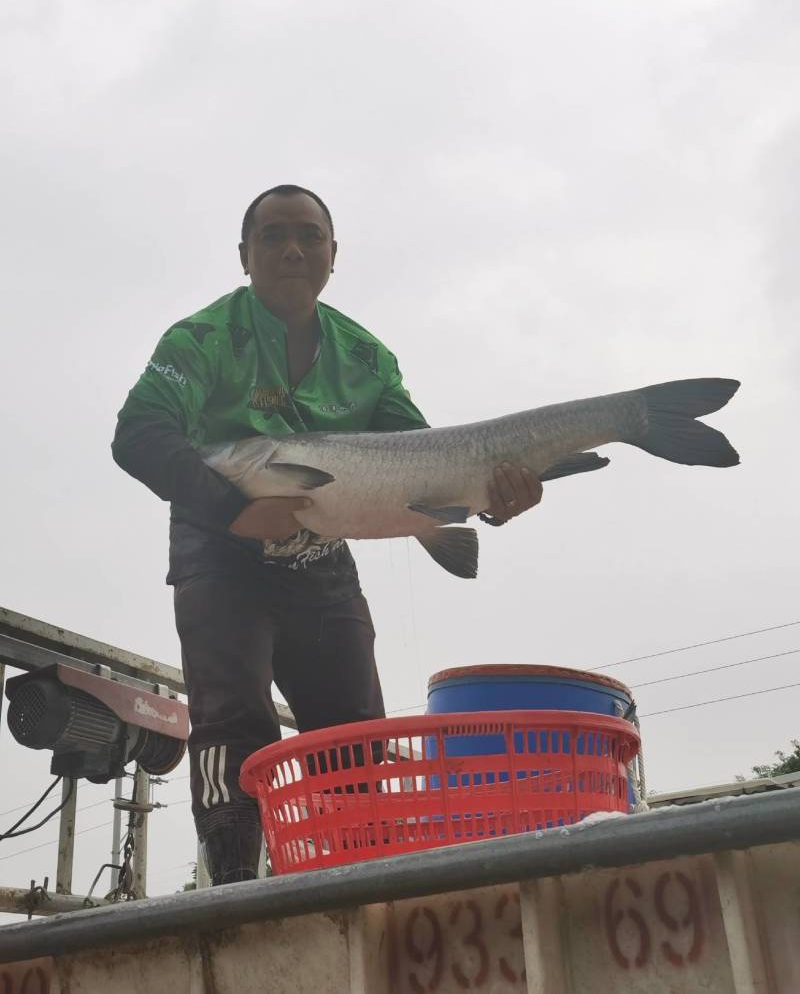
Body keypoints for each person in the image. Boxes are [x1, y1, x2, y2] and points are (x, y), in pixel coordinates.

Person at [112, 185, 543, 883]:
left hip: (322, 561)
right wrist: (233, 511)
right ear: (244, 255)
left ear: (333, 255)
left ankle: (356, 897)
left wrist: (486, 498)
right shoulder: (201, 339)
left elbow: (425, 461)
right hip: (219, 556)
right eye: (274, 234)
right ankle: (231, 896)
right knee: (234, 723)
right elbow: (139, 434)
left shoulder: (367, 358)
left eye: (309, 236)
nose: (292, 248)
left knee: (355, 743)